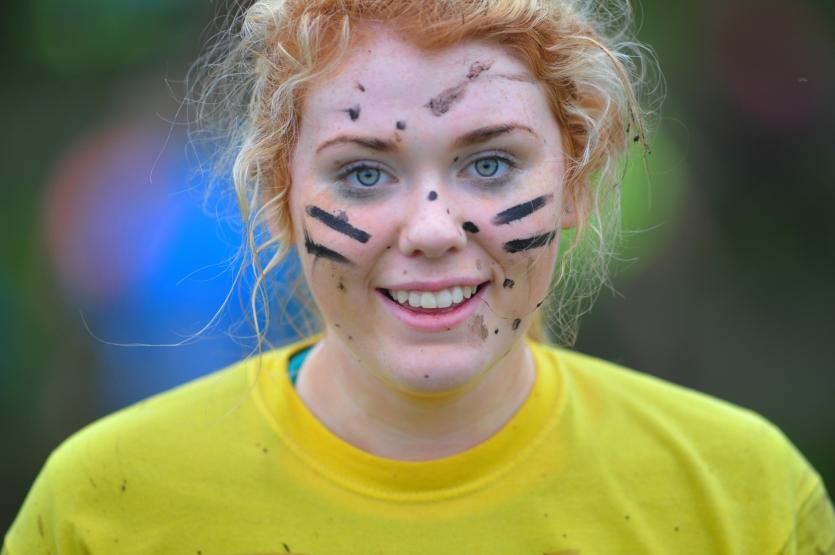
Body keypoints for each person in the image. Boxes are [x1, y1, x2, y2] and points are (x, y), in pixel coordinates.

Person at [5, 0, 834, 553]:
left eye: (491, 162)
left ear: (576, 182)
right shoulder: (99, 506)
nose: (433, 228)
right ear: (276, 196)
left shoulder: (746, 498)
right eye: (364, 172)